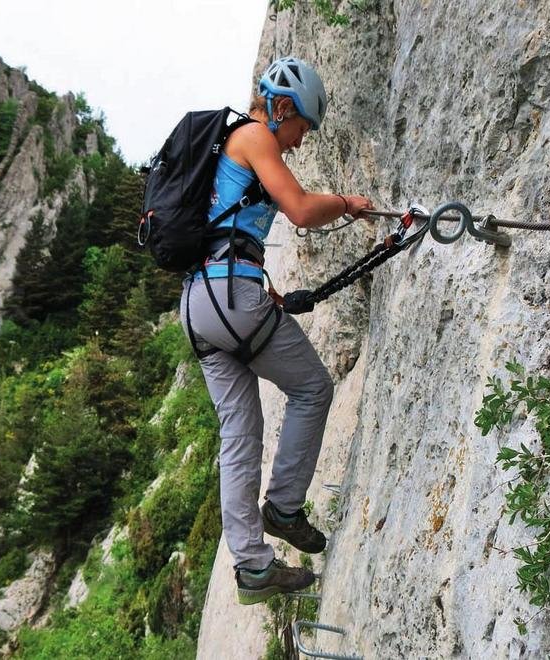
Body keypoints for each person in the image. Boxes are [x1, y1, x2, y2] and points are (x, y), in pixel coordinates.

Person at [180, 56, 374, 605]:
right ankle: (285, 508)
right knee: (313, 388)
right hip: (231, 298)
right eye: (302, 128)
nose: (299, 141)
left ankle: (253, 567)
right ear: (282, 108)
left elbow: (230, 227)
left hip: (200, 305)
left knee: (239, 438)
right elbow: (301, 209)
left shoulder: (227, 149)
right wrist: (347, 204)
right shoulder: (253, 135)